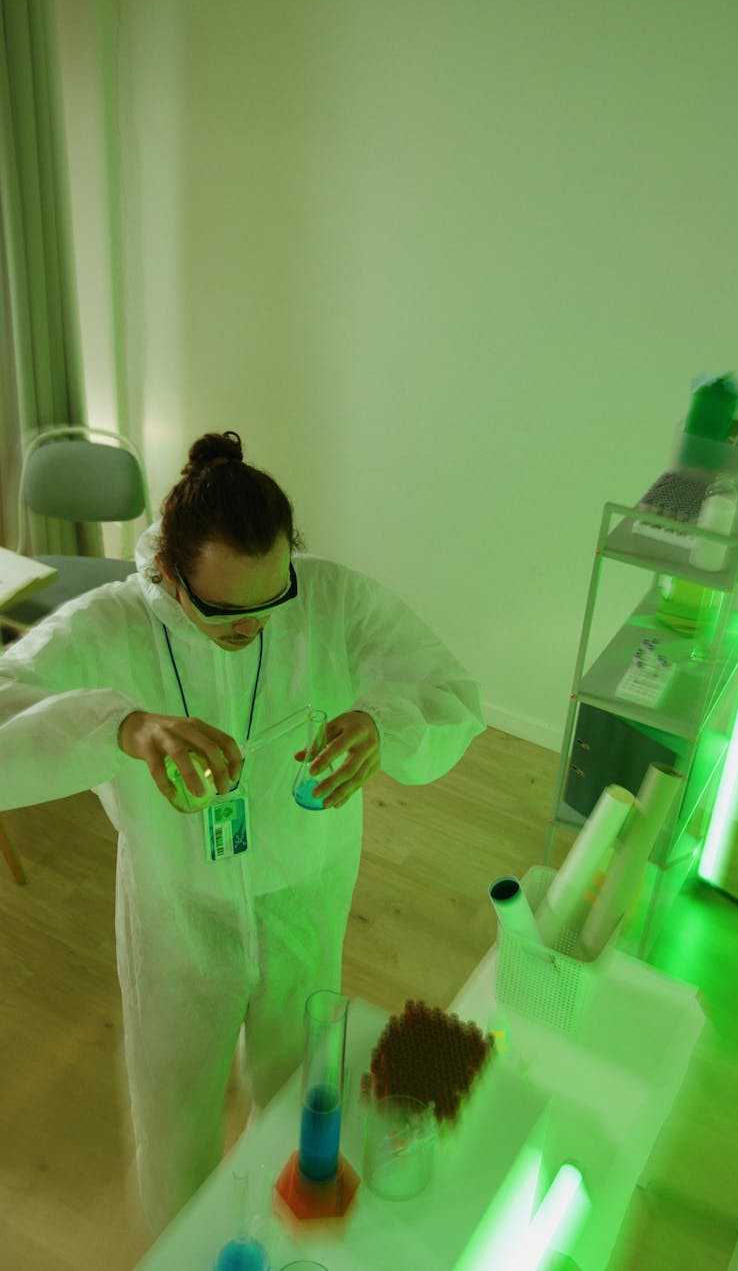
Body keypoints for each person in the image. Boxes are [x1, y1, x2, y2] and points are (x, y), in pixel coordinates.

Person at [0, 429, 486, 1237]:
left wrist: (381, 722)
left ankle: (285, 1227)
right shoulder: (111, 625)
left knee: (300, 1087)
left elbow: (450, 691)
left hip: (307, 889)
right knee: (174, 1106)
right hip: (174, 908)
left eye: (272, 601)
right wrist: (118, 727)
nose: (251, 626)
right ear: (167, 572)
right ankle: (180, 1244)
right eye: (226, 609)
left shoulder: (332, 601)